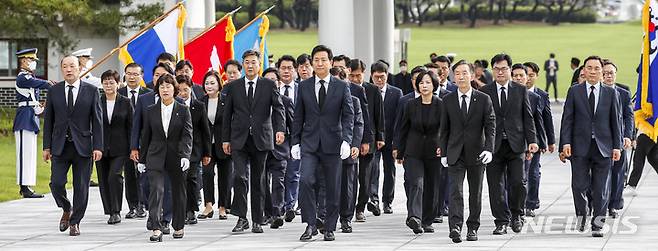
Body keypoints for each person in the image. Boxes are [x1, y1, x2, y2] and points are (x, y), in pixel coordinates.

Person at [291, 45, 354, 241]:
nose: (319, 63)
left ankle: (329, 227)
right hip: (309, 143)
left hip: (333, 143)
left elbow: (348, 115)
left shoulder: (341, 86)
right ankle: (310, 224)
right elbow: (298, 115)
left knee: (333, 186)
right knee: (306, 180)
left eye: (323, 60)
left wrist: (346, 140)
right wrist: (295, 142)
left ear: (330, 62)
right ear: (312, 62)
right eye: (316, 60)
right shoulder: (304, 85)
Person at [222, 50, 286, 234]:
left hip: (261, 138)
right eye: (247, 62)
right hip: (239, 139)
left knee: (259, 180)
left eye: (254, 62)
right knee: (240, 177)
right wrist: (226, 139)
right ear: (243, 65)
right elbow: (227, 116)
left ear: (259, 65)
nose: (250, 66)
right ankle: (242, 218)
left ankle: (257, 219)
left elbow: (279, 108)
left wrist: (280, 129)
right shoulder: (234, 87)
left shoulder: (268, 85)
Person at [559, 56, 622, 237]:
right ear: (583, 71)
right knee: (579, 186)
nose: (592, 71)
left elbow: (616, 122)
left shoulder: (611, 93)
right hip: (579, 147)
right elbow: (567, 120)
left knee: (601, 188)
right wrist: (566, 143)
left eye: (596, 68)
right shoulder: (574, 92)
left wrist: (616, 146)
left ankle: (597, 225)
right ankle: (582, 214)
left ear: (602, 71)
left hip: (604, 147)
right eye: (589, 68)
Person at [43, 55, 103, 236]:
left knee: (81, 186)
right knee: (56, 183)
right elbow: (48, 121)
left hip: (83, 146)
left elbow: (97, 121)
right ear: (62, 69)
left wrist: (98, 146)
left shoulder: (92, 91)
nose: (69, 70)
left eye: (72, 66)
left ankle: (75, 222)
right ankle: (66, 207)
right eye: (65, 66)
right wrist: (46, 147)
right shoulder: (54, 91)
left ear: (80, 68)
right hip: (60, 146)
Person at [480, 54, 538, 235]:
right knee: (495, 186)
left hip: (516, 145)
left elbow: (527, 118)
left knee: (518, 183)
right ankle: (501, 221)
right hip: (493, 146)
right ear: (492, 71)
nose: (500, 72)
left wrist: (532, 141)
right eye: (496, 69)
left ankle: (517, 215)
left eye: (504, 69)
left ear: (510, 70)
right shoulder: (485, 92)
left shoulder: (520, 90)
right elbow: (480, 121)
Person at [439, 60, 495, 243]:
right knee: (455, 190)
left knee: (475, 192)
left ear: (472, 76)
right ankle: (455, 227)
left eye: (464, 73)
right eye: (457, 73)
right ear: (453, 77)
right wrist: (444, 152)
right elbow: (444, 128)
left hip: (477, 153)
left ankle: (473, 227)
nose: (461, 76)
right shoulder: (447, 100)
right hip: (455, 152)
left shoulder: (483, 99)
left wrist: (489, 149)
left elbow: (490, 126)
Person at [137, 74, 192, 241]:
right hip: (155, 155)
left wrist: (185, 155)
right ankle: (156, 228)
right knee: (156, 190)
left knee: (178, 192)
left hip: (177, 156)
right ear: (158, 90)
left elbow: (187, 135)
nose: (165, 89)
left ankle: (179, 225)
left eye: (168, 86)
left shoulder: (183, 110)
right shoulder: (150, 110)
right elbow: (146, 135)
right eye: (161, 86)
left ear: (174, 89)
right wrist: (142, 159)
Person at [395, 70, 443, 234]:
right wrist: (400, 152)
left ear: (434, 85)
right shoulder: (410, 105)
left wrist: (443, 147)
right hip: (413, 150)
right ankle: (414, 217)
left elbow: (446, 129)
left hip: (434, 151)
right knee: (416, 183)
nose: (424, 85)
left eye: (428, 82)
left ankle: (427, 220)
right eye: (421, 82)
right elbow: (403, 129)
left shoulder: (441, 105)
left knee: (432, 185)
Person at [346, 59, 385, 221]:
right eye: (352, 76)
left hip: (369, 138)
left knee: (366, 177)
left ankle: (360, 207)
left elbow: (377, 116)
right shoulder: (345, 89)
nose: (356, 79)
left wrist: (379, 137)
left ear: (364, 73)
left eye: (358, 75)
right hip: (350, 139)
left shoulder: (373, 90)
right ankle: (348, 206)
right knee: (351, 178)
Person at [14, 48, 53, 198]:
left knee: (29, 153)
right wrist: (52, 84)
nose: (33, 64)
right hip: (24, 118)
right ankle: (24, 188)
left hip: (30, 116)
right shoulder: (22, 77)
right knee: (24, 153)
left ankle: (28, 186)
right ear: (24, 61)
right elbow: (42, 84)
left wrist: (40, 107)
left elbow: (32, 99)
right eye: (31, 61)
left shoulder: (29, 77)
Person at [96, 70, 132, 225]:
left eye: (112, 82)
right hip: (100, 147)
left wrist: (133, 147)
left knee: (114, 176)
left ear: (118, 84)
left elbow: (131, 126)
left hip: (120, 147)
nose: (108, 85)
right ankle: (109, 210)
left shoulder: (126, 102)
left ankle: (116, 211)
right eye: (105, 82)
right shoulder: (97, 101)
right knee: (103, 179)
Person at [522, 62, 557, 217]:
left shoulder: (541, 95)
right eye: (526, 74)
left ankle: (530, 203)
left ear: (536, 76)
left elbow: (546, 118)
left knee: (533, 172)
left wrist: (549, 141)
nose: (528, 78)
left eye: (531, 75)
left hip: (534, 140)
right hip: (516, 139)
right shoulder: (513, 92)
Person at [176, 75, 211, 225]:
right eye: (180, 90)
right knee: (180, 180)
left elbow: (205, 131)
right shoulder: (173, 106)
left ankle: (191, 210)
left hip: (195, 150)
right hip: (177, 150)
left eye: (186, 89)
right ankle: (182, 210)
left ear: (192, 89)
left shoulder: (199, 105)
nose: (183, 93)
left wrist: (207, 153)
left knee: (192, 179)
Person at [118, 62, 152, 219]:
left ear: (142, 76)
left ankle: (143, 204)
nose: (132, 77)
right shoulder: (118, 94)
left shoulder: (149, 94)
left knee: (144, 175)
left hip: (146, 141)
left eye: (135, 74)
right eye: (129, 73)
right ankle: (133, 206)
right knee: (130, 174)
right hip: (124, 141)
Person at [511, 64, 545, 218]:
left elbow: (539, 122)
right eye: (515, 76)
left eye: (522, 76)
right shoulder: (504, 95)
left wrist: (544, 142)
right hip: (511, 143)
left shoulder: (535, 97)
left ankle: (528, 204)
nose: (519, 79)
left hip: (530, 143)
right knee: (514, 178)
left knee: (530, 175)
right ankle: (514, 207)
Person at [370, 62, 403, 215]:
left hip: (390, 138)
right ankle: (374, 199)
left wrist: (397, 142)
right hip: (373, 138)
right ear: (371, 76)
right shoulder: (367, 91)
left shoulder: (396, 93)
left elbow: (399, 118)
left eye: (382, 77)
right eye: (376, 77)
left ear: (387, 75)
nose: (379, 80)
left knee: (390, 170)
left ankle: (387, 201)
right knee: (373, 169)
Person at [199, 70, 232, 220]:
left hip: (224, 144)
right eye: (207, 83)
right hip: (207, 146)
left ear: (219, 84)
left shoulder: (226, 100)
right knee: (207, 174)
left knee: (225, 176)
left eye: (212, 83)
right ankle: (208, 205)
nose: (209, 86)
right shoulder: (200, 102)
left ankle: (223, 207)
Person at [602, 60, 633, 218]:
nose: (608, 76)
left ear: (615, 74)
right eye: (605, 73)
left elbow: (629, 116)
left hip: (618, 140)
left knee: (618, 174)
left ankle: (613, 204)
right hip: (600, 140)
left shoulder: (623, 92)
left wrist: (628, 136)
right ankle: (599, 203)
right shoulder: (595, 92)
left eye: (611, 73)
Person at [264, 70, 295, 229]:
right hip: (261, 148)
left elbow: (293, 126)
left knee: (278, 182)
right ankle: (267, 212)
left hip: (280, 150)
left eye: (273, 80)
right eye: (266, 80)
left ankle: (277, 213)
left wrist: (294, 145)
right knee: (262, 182)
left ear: (278, 83)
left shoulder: (286, 101)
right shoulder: (256, 102)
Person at [276, 55, 302, 222]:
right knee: (279, 174)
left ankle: (290, 206)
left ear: (295, 70)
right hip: (278, 139)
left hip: (297, 137)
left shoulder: (303, 89)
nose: (286, 71)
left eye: (289, 68)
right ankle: (279, 206)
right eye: (283, 68)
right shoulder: (272, 90)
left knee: (293, 173)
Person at [339, 96, 363, 233]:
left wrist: (355, 144)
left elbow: (358, 123)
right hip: (326, 146)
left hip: (348, 147)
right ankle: (324, 216)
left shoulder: (354, 100)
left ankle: (346, 218)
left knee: (348, 185)